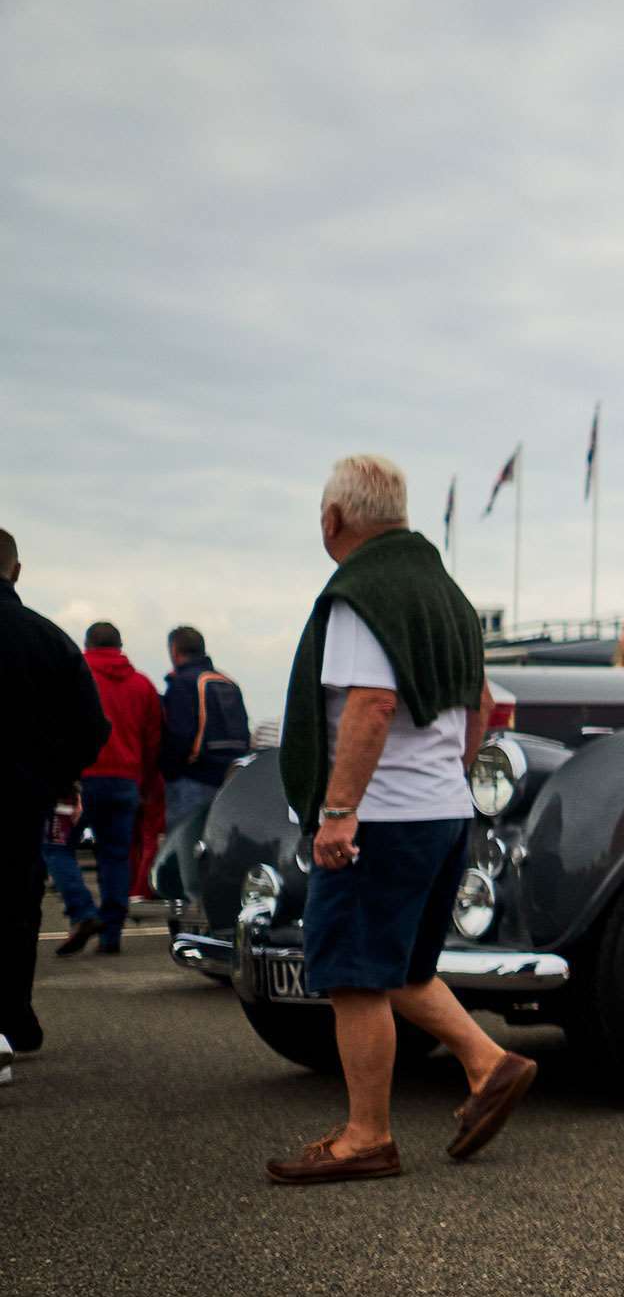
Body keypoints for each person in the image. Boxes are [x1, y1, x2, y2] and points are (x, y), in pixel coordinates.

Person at [265, 455, 537, 1185]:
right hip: (442, 813)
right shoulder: (446, 594)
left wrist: (339, 814)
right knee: (405, 969)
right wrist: (450, 775)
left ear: (333, 520)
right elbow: (481, 704)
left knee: (354, 977)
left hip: (380, 818)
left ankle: (367, 1137)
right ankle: (490, 1065)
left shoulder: (363, 591)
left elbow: (371, 705)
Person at [0, 528, 109, 1057]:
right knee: (17, 906)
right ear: (16, 571)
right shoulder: (49, 639)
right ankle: (12, 1016)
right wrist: (56, 773)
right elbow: (93, 726)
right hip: (22, 796)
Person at [40, 621, 161, 957]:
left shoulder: (73, 677)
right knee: (115, 855)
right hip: (125, 784)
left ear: (87, 644)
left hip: (76, 783)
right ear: (120, 645)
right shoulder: (142, 685)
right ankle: (111, 934)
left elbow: (54, 726)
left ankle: (82, 912)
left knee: (55, 845)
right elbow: (153, 740)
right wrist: (146, 783)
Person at [159, 625, 251, 831]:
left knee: (185, 844)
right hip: (228, 779)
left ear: (174, 650)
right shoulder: (227, 683)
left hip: (192, 779)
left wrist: (168, 771)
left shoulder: (183, 683)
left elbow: (179, 735)